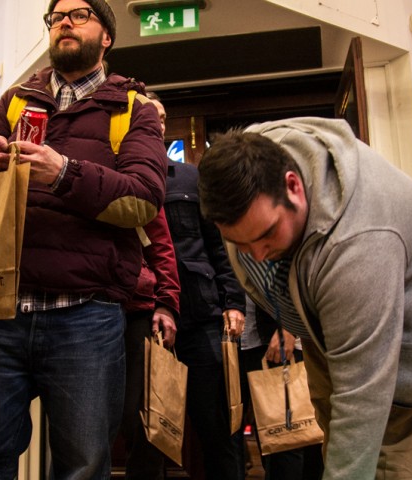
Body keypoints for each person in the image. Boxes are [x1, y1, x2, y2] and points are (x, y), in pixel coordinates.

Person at [0, 0, 168, 478]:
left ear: (107, 36)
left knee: (82, 468)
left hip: (86, 314)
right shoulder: (16, 99)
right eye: (56, 17)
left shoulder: (134, 108)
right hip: (0, 308)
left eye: (80, 14)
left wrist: (64, 172)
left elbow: (144, 200)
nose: (64, 21)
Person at [196, 118, 412, 480]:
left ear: (293, 186)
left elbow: (361, 404)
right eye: (240, 243)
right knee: (333, 431)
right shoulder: (250, 159)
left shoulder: (360, 247)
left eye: (266, 234)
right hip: (322, 316)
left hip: (408, 322)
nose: (257, 255)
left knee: (381, 457)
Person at [146, 92, 247, 479]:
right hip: (145, 319)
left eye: (162, 117)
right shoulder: (125, 179)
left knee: (217, 428)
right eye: (148, 115)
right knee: (149, 432)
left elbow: (219, 244)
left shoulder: (191, 177)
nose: (156, 123)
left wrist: (233, 301)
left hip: (201, 318)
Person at [120, 207, 180, 479]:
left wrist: (166, 302)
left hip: (137, 306)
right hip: (85, 302)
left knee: (144, 420)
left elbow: (160, 241)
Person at [239, 295, 323, 480]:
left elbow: (294, 283)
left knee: (289, 440)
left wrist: (288, 328)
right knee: (273, 439)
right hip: (251, 342)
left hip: (280, 341)